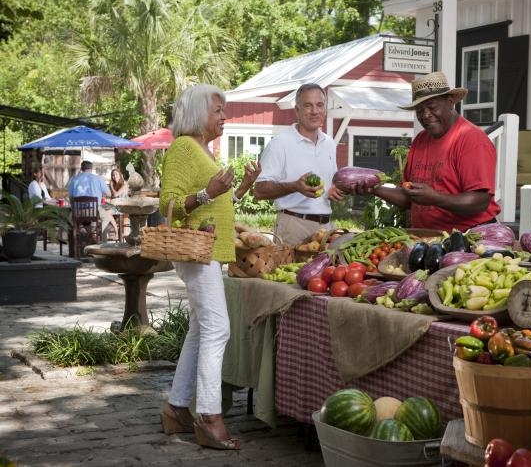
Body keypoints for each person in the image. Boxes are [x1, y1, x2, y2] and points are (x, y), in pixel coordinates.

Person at [158, 84, 260, 450]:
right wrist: (208, 193)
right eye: (218, 109)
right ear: (198, 112)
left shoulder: (202, 150)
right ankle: (209, 416)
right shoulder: (183, 148)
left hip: (210, 252)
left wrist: (241, 188)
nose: (224, 116)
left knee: (201, 331)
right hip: (197, 253)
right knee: (219, 329)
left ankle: (176, 408)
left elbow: (213, 204)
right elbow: (169, 202)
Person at [356, 71, 500, 232]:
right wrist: (374, 189)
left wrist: (435, 198)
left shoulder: (471, 140)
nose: (425, 115)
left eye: (432, 107)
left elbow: (481, 201)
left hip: (468, 240)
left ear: (450, 102)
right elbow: (409, 197)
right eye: (419, 110)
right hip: (429, 239)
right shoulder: (420, 140)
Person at [253, 83, 345, 244]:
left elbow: (329, 186)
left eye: (319, 105)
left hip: (327, 227)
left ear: (325, 109)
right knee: (290, 270)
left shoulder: (329, 143)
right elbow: (259, 191)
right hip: (294, 226)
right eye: (308, 106)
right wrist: (295, 186)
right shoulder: (280, 143)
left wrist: (333, 191)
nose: (314, 111)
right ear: (297, 110)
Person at [67, 160, 117, 240]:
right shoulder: (98, 179)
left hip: (78, 212)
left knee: (70, 219)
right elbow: (109, 194)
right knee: (107, 217)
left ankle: (83, 232)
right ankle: (96, 233)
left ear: (81, 168)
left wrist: (74, 207)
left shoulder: (74, 179)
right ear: (91, 168)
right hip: (94, 211)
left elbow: (70, 197)